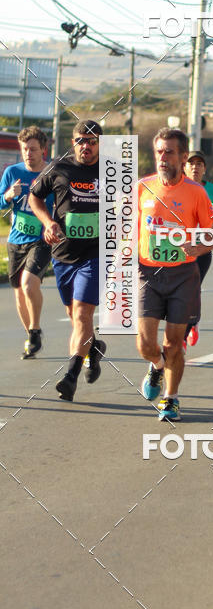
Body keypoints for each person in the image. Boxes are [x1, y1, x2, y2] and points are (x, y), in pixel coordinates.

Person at [137, 127, 213, 421]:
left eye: (169, 152)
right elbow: (130, 227)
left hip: (183, 275)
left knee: (173, 342)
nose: (163, 157)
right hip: (149, 273)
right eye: (159, 151)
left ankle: (171, 399)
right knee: (145, 344)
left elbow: (211, 235)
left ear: (183, 157)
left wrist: (197, 247)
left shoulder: (196, 193)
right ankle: (156, 365)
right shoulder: (142, 187)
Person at [29, 120, 106, 401]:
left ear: (100, 143)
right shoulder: (57, 168)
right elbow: (34, 198)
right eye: (80, 140)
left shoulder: (112, 172)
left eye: (92, 141)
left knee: (83, 313)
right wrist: (48, 222)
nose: (86, 146)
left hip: (95, 255)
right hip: (62, 254)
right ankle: (93, 347)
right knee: (75, 317)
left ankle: (71, 376)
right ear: (73, 142)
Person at [0, 126, 53, 359]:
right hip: (15, 240)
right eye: (24, 149)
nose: (28, 154)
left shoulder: (52, 173)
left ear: (43, 149)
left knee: (29, 283)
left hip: (41, 240)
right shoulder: (12, 172)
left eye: (32, 149)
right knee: (19, 292)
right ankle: (32, 334)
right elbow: (1, 203)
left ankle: (35, 327)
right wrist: (8, 196)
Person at [183, 149, 213, 346]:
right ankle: (183, 327)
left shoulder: (210, 189)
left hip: (202, 246)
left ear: (204, 169)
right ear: (185, 166)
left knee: (193, 287)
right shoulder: (179, 186)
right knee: (180, 290)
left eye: (199, 164)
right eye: (191, 163)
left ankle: (191, 324)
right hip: (180, 245)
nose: (195, 167)